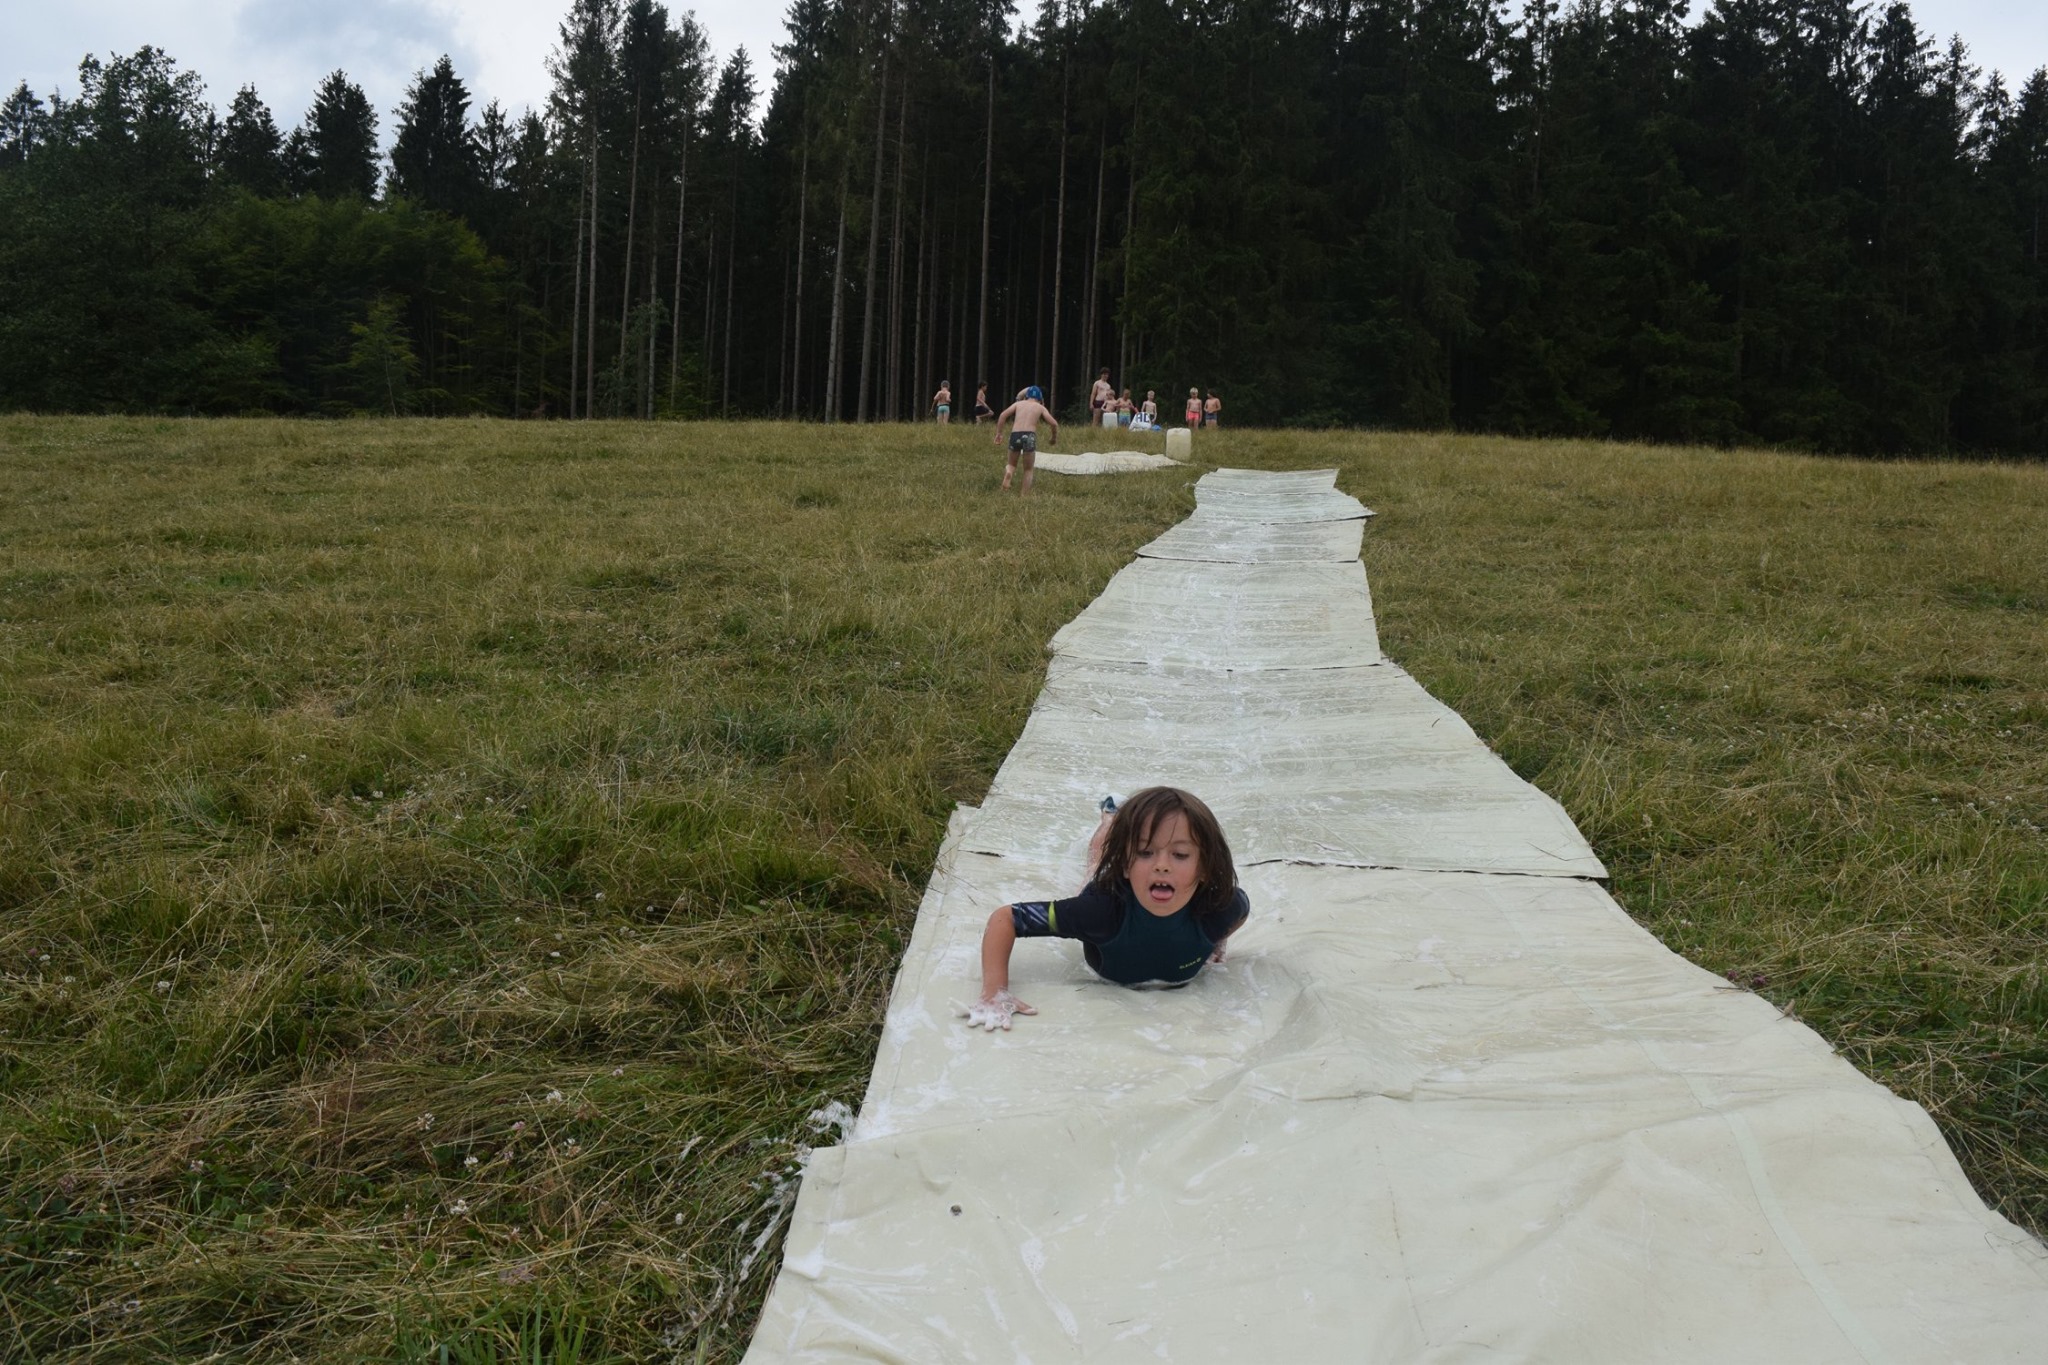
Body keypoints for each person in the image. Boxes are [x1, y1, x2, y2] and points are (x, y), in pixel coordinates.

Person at [963, 787, 1251, 1030]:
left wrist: (1218, 941)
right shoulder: (1098, 912)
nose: (1162, 864)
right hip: (1107, 887)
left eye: (1180, 854)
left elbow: (1241, 910)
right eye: (1145, 852)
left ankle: (1123, 829)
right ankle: (1110, 822)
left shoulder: (1220, 908)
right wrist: (994, 991)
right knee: (1097, 864)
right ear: (1126, 866)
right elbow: (1007, 918)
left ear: (1204, 868)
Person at [992, 384, 1059, 494]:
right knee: (1028, 469)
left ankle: (1009, 472)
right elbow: (1054, 424)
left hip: (1015, 435)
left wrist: (999, 433)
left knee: (1012, 464)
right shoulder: (1040, 407)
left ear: (1026, 396)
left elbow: (1003, 415)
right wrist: (1053, 437)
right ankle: (1024, 495)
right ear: (1040, 399)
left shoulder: (1018, 404)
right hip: (1029, 436)